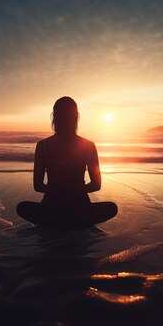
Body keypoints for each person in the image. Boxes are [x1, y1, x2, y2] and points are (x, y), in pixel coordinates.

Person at [17, 96, 118, 229]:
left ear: (54, 117)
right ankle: (75, 222)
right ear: (76, 117)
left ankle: (56, 222)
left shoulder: (43, 146)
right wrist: (75, 190)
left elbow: (38, 186)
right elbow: (96, 185)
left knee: (22, 208)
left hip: (51, 209)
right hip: (80, 209)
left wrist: (57, 191)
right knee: (111, 208)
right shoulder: (88, 145)